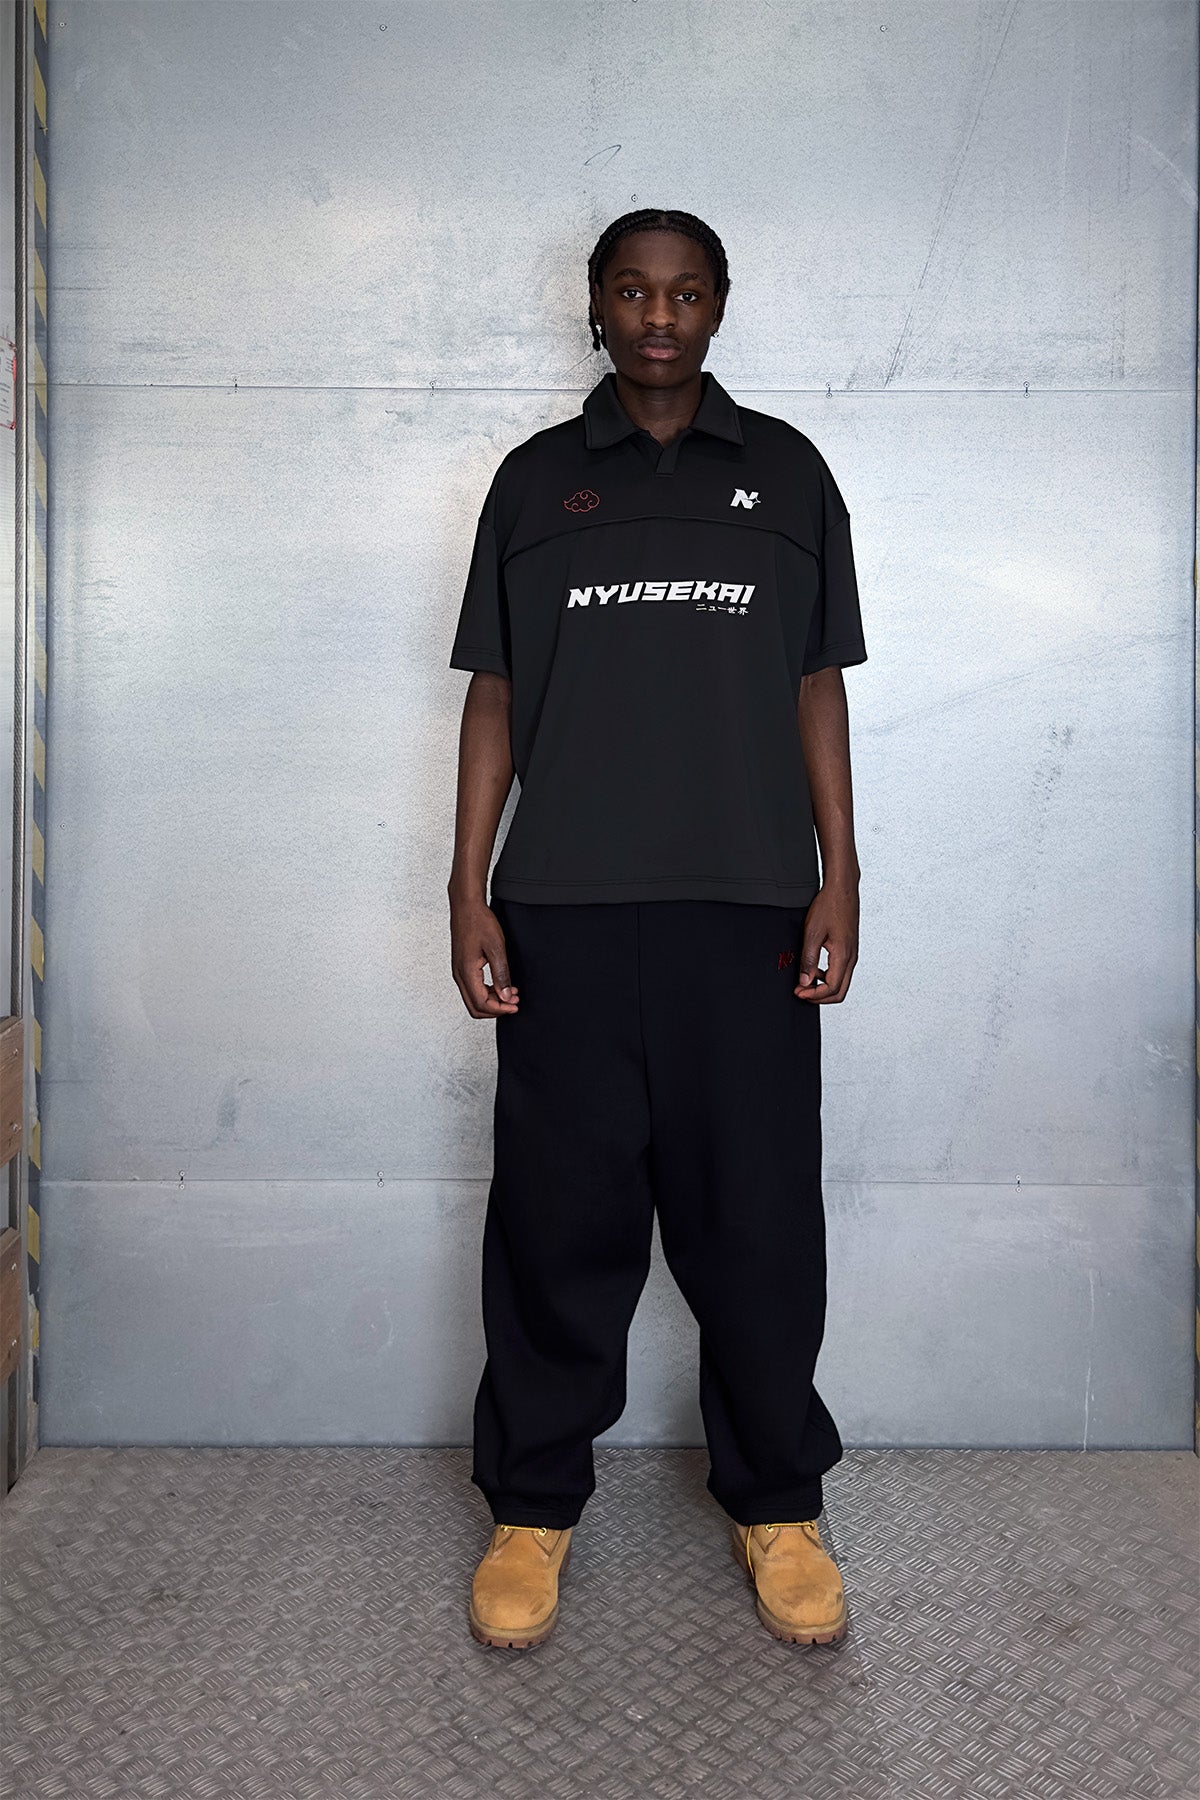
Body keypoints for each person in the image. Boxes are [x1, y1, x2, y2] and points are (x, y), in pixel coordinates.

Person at [447, 208, 867, 1652]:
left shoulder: (790, 476)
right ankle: (534, 1505)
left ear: (720, 307)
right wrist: (467, 884)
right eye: (632, 290)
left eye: (685, 292)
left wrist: (840, 873)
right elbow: (496, 692)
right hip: (564, 906)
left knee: (757, 1223)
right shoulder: (534, 483)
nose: (658, 316)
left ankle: (777, 1501)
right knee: (557, 1220)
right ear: (596, 306)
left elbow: (817, 683)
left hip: (746, 909)